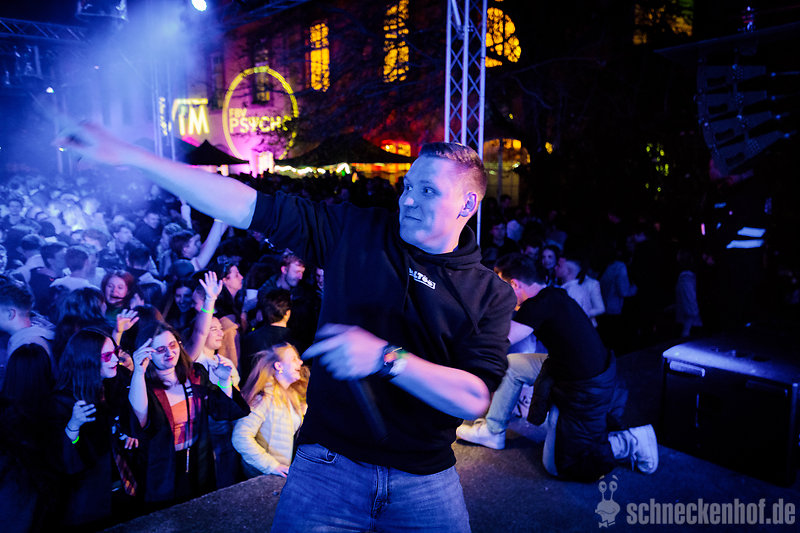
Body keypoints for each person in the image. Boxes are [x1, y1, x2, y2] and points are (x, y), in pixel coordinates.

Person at [57, 123, 515, 532]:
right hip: (328, 464)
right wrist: (136, 156)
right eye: (408, 186)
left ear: (468, 203)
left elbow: (474, 397)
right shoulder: (355, 230)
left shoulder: (488, 294)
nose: (408, 200)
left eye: (428, 191)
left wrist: (386, 358)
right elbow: (246, 205)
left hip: (426, 479)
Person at [456, 254, 658, 481]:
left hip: (585, 388)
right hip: (574, 372)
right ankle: (493, 431)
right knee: (514, 365)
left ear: (514, 284)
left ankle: (629, 442)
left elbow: (500, 340)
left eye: (502, 287)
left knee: (557, 466)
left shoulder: (537, 305)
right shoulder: (553, 295)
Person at [126, 321, 249, 508]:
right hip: (162, 467)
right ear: (147, 354)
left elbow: (222, 410)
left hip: (199, 460)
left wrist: (224, 381)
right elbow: (138, 422)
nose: (169, 353)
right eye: (160, 349)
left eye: (172, 345)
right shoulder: (143, 385)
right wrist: (138, 372)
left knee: (201, 510)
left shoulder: (195, 374)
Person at [51, 328, 139, 528]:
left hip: (119, 488)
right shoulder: (62, 402)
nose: (115, 359)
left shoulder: (109, 385)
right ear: (87, 360)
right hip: (87, 503)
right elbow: (61, 461)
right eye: (107, 356)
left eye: (115, 352)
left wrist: (124, 434)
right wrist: (73, 426)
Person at [232, 343, 307, 478]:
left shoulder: (291, 393)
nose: (300, 362)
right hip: (262, 474)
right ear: (279, 366)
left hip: (281, 471)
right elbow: (240, 437)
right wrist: (271, 465)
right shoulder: (264, 397)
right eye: (294, 359)